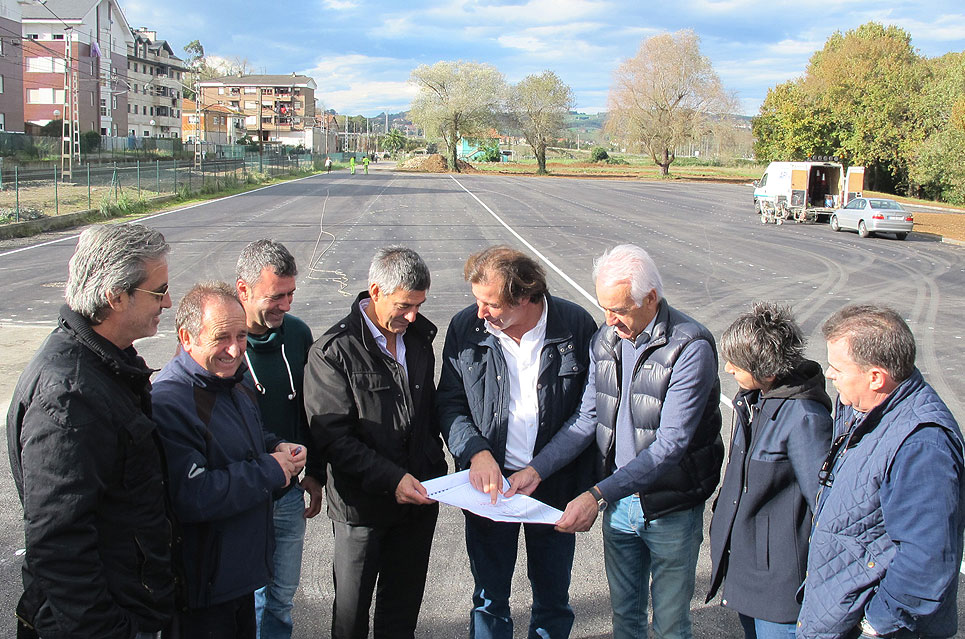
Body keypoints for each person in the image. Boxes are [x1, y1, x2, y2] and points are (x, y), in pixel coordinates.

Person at [513, 244, 723, 639]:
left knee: (670, 625)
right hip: (620, 503)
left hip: (669, 507)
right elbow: (586, 419)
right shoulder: (605, 341)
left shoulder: (690, 348)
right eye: (605, 308)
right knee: (625, 620)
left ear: (651, 298)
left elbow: (670, 445)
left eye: (620, 310)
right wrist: (536, 470)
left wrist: (596, 495)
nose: (610, 320)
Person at [7, 223, 176, 639]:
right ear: (116, 297)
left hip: (132, 603)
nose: (168, 302)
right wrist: (112, 630)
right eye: (158, 292)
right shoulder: (68, 397)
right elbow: (58, 546)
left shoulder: (108, 365)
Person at [437, 246, 597, 639]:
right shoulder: (466, 327)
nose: (480, 312)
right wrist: (477, 453)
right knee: (489, 598)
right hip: (489, 489)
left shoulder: (575, 325)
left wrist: (539, 468)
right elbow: (450, 403)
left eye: (490, 303)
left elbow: (588, 413)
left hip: (554, 485)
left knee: (553, 598)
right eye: (477, 300)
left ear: (524, 296)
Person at [304, 246, 447, 639]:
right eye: (404, 305)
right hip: (361, 510)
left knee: (401, 615)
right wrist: (392, 479)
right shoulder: (332, 352)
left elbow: (427, 413)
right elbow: (334, 440)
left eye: (419, 305)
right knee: (351, 619)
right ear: (375, 291)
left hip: (417, 503)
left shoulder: (418, 339)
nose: (412, 316)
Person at [797, 305, 965, 639]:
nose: (829, 374)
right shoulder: (861, 407)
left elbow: (927, 560)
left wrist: (876, 625)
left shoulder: (922, 446)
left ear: (876, 377)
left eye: (837, 368)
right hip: (836, 615)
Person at [152, 282, 306, 639]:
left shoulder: (233, 384)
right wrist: (271, 469)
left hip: (238, 578)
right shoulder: (170, 402)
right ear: (187, 338)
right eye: (222, 337)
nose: (235, 349)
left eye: (241, 336)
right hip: (203, 591)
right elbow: (193, 494)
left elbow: (249, 438)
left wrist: (278, 446)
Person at [706, 302, 833, 639]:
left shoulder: (805, 418)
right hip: (748, 571)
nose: (728, 368)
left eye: (737, 363)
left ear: (766, 369)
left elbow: (825, 505)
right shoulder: (753, 401)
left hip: (780, 585)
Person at [235, 240, 321, 639]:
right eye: (275, 296)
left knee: (281, 599)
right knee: (249, 600)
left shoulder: (298, 334)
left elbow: (312, 410)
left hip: (288, 493)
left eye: (290, 294)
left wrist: (314, 473)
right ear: (243, 289)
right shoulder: (222, 344)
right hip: (242, 497)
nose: (285, 305)